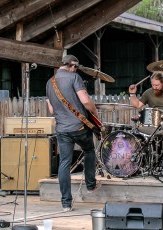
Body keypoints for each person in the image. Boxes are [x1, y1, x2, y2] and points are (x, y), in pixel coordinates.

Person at [46, 54, 101, 212]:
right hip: (78, 127)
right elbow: (85, 101)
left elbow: (51, 109)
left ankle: (66, 204)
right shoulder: (74, 77)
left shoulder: (50, 82)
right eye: (75, 67)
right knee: (89, 150)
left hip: (62, 129)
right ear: (73, 66)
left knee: (64, 163)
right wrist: (95, 112)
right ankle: (90, 185)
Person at [128, 72, 163, 154]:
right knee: (142, 134)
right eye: (153, 85)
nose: (154, 87)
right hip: (155, 120)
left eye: (157, 85)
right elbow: (137, 105)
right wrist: (132, 94)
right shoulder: (148, 92)